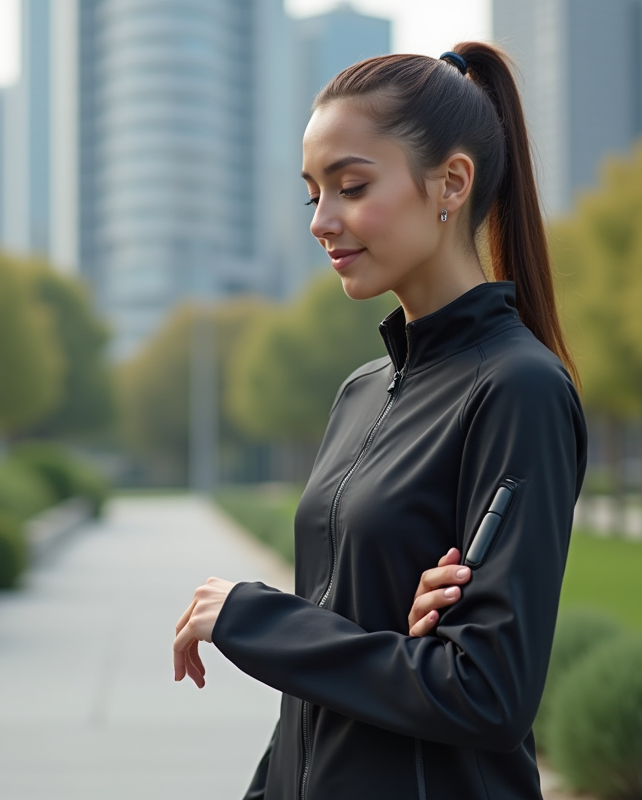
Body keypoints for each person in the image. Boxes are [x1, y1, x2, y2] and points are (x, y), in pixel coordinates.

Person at [172, 42, 587, 800]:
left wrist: (253, 620)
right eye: (313, 195)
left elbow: (485, 691)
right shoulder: (361, 391)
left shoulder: (519, 388)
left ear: (451, 184)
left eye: (352, 186)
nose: (322, 221)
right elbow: (328, 667)